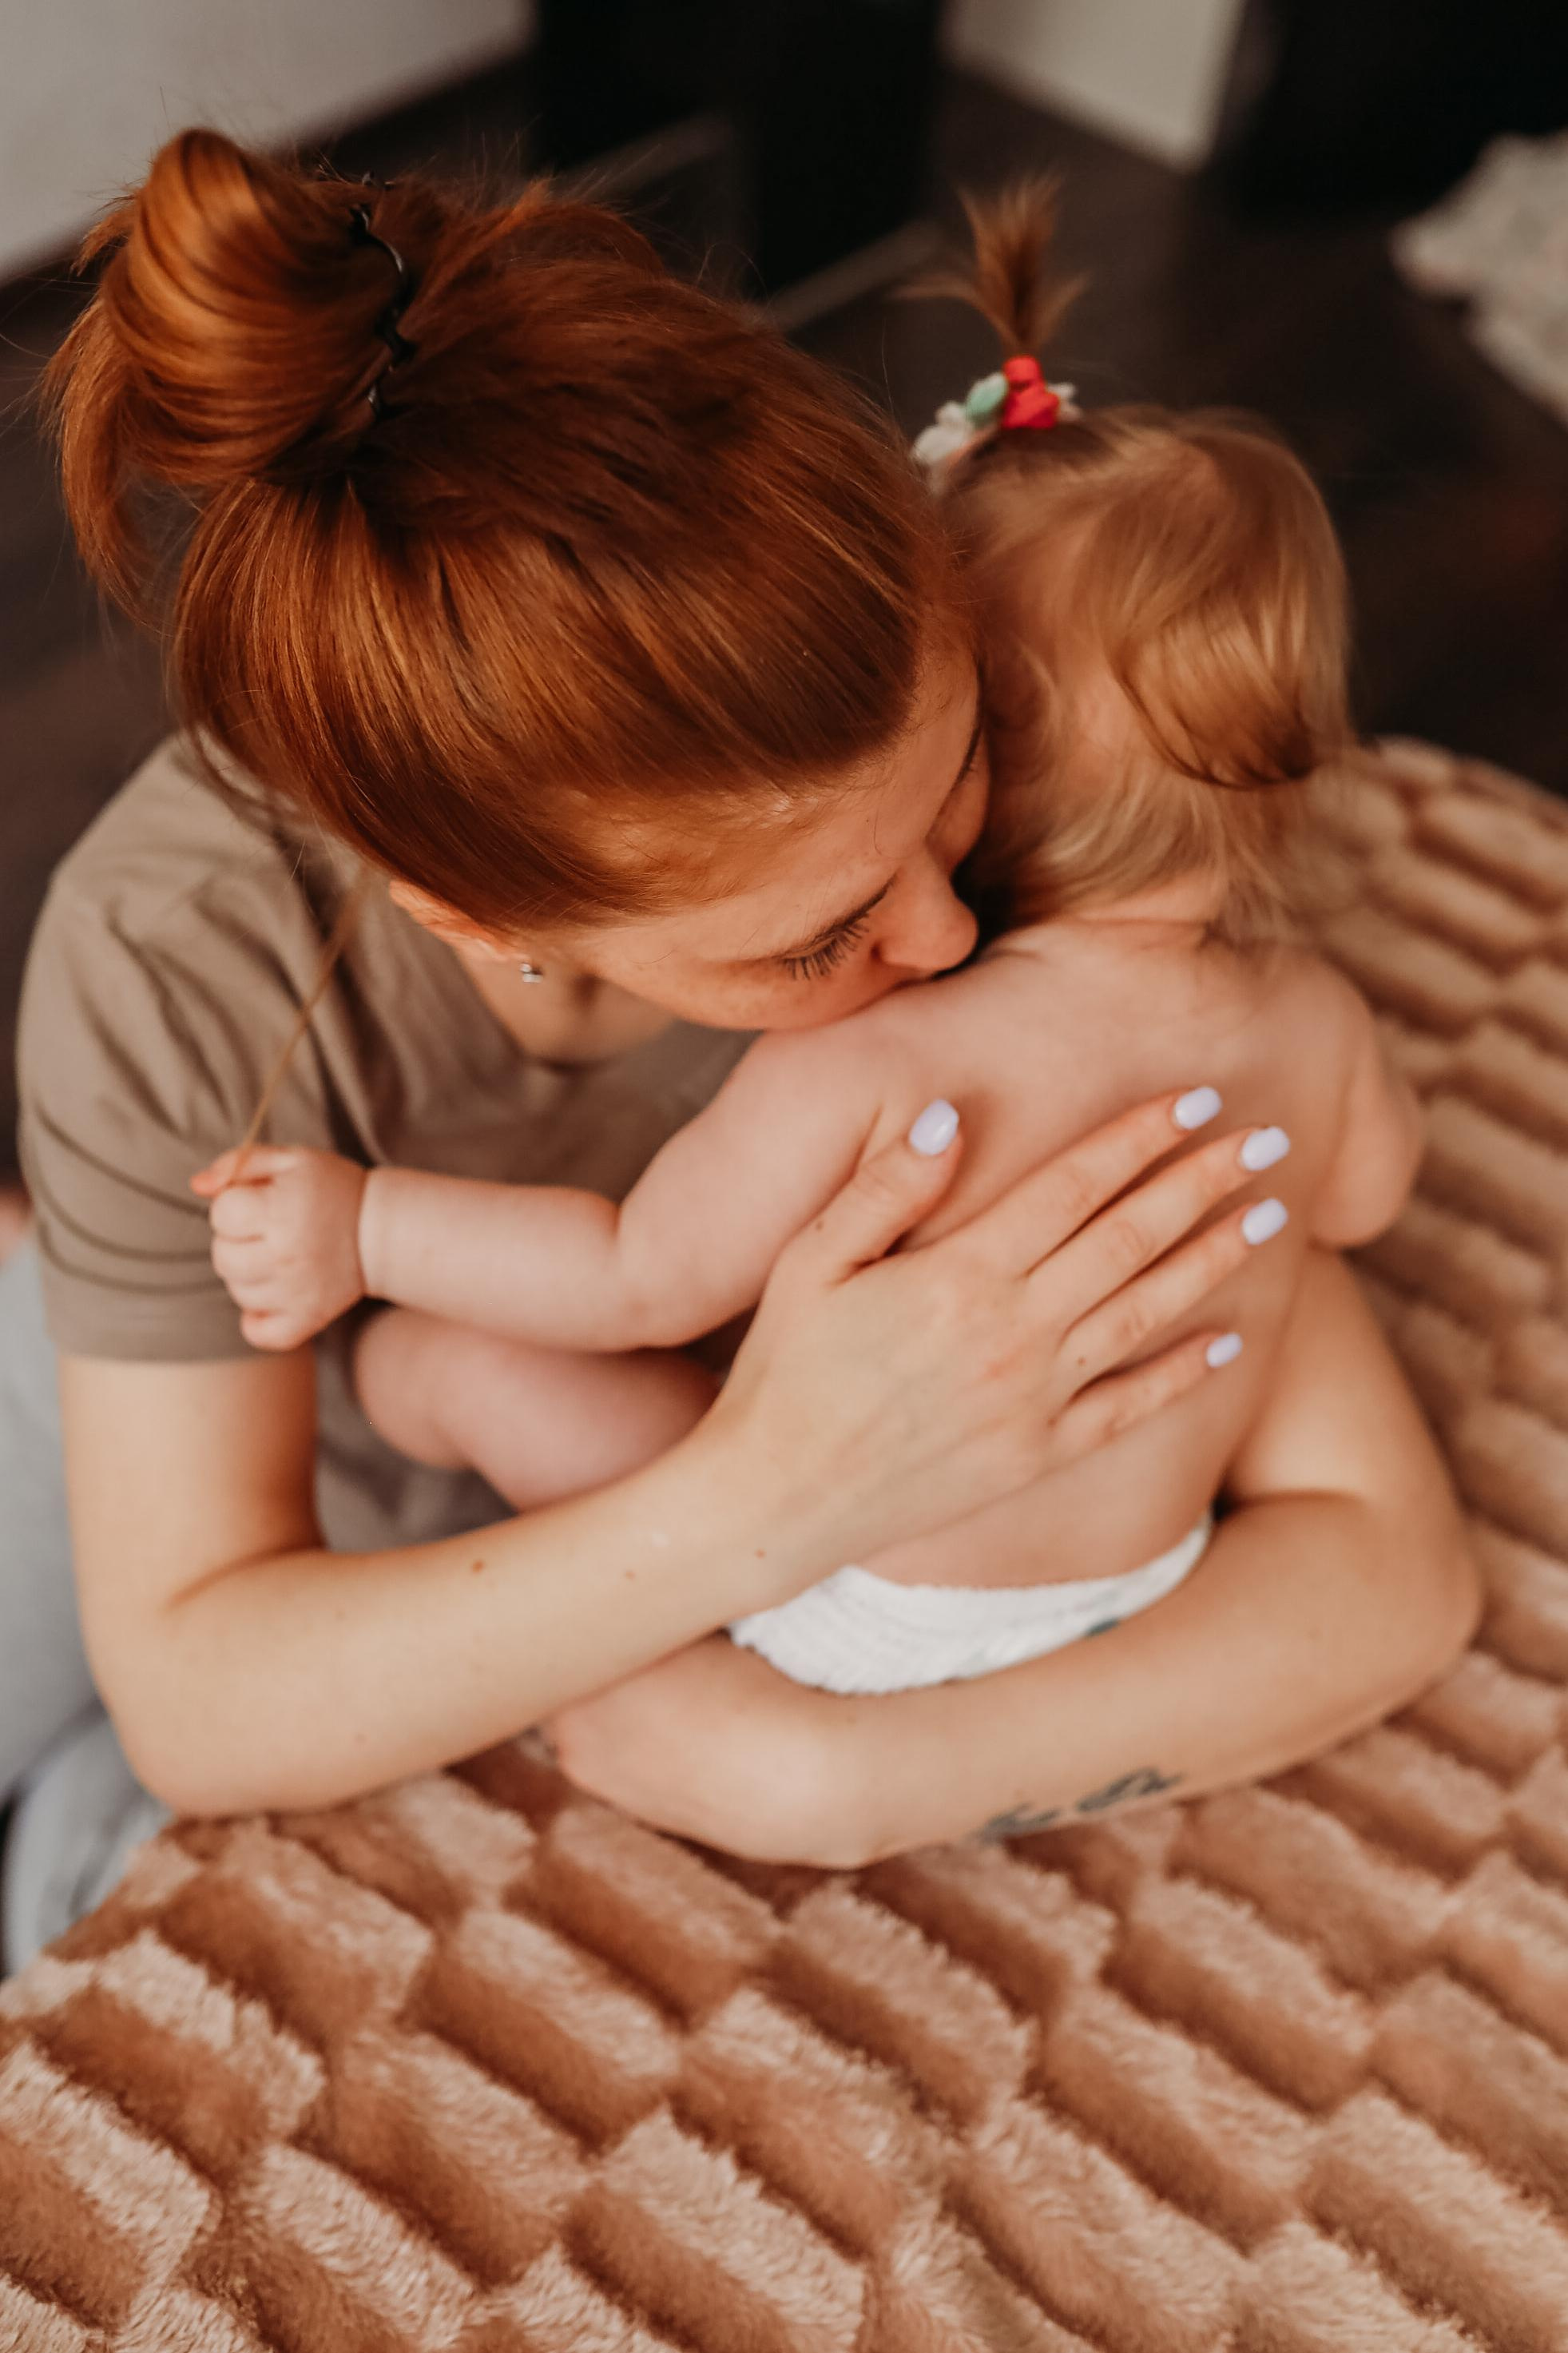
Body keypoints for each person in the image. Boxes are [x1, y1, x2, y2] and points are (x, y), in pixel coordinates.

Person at [0, 136, 1475, 1963]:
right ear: (474, 914)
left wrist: (842, 1778)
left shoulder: (1020, 833)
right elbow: (207, 1690)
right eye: (807, 942)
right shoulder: (178, 964)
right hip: (206, 1424)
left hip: (483, 1517)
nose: (944, 939)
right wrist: (788, 1488)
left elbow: (1386, 1572)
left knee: (81, 1860)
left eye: (960, 782)